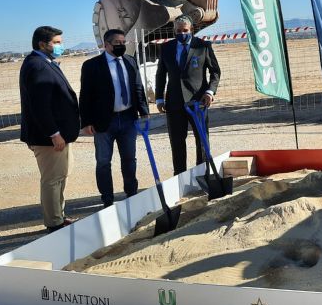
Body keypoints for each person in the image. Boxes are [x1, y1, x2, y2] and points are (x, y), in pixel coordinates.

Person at [19, 26, 80, 232]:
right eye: (57, 42)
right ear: (42, 44)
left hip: (58, 135)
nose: (60, 46)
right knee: (52, 180)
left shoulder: (45, 63)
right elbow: (39, 105)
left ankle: (58, 215)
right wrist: (54, 134)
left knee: (60, 176)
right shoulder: (37, 66)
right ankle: (54, 223)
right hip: (49, 138)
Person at [79, 29, 149, 208]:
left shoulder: (130, 61)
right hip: (104, 122)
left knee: (129, 159)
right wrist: (86, 122)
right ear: (106, 45)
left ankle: (132, 194)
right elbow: (85, 96)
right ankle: (107, 200)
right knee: (103, 162)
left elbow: (138, 87)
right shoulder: (91, 66)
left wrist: (144, 111)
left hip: (128, 119)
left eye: (123, 42)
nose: (122, 46)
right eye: (117, 43)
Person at [155, 15, 221, 175]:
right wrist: (159, 98)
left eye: (185, 30)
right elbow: (161, 74)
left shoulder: (203, 46)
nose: (182, 33)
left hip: (198, 102)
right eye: (178, 31)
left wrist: (209, 92)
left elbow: (215, 72)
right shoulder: (166, 48)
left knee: (202, 140)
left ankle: (202, 174)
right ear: (174, 31)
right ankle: (180, 177)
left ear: (191, 30)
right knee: (177, 141)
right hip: (174, 103)